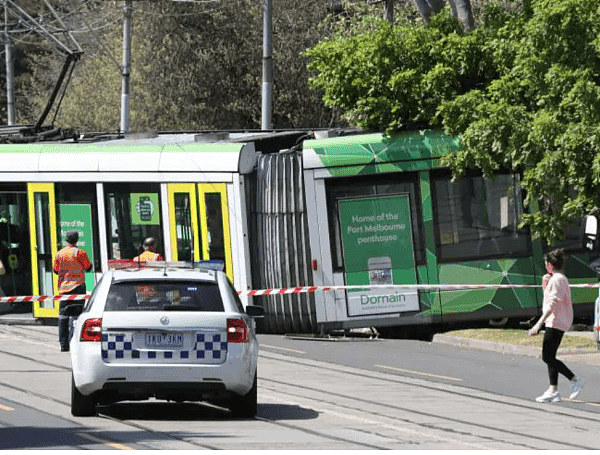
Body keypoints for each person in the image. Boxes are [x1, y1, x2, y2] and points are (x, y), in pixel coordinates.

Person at [528, 248, 585, 403]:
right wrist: (544, 286)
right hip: (557, 320)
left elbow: (551, 304)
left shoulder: (557, 280)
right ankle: (553, 390)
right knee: (550, 356)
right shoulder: (558, 279)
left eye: (546, 263)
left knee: (547, 356)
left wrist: (537, 325)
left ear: (550, 265)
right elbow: (550, 299)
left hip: (556, 321)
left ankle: (575, 380)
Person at [53, 231, 92, 352]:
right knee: (76, 316)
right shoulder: (80, 253)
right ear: (77, 239)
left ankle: (63, 344)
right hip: (78, 287)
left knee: (63, 316)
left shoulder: (59, 253)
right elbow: (88, 268)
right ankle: (74, 342)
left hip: (64, 289)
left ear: (66, 240)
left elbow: (55, 270)